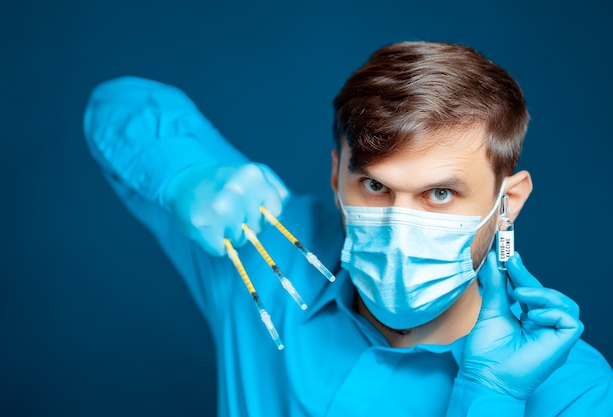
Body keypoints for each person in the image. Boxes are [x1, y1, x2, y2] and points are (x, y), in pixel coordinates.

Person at [83, 41, 613, 416]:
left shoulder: (571, 387)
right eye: (376, 188)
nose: (401, 230)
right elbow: (120, 103)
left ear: (507, 202)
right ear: (337, 174)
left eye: (440, 194)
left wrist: (490, 395)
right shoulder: (263, 248)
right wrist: (185, 175)